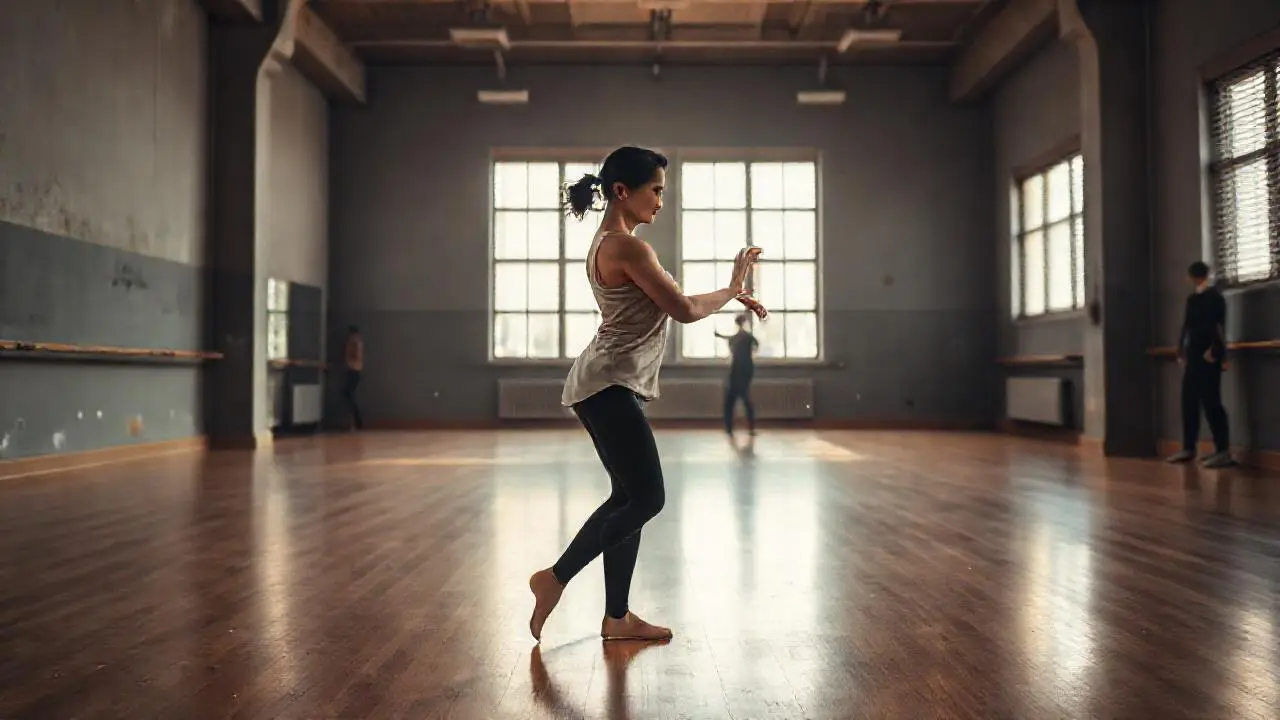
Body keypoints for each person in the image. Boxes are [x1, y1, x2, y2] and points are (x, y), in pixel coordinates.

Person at [526, 146, 767, 643]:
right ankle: (554, 578)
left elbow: (678, 305)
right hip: (607, 383)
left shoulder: (614, 243)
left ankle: (617, 619)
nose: (660, 200)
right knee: (648, 498)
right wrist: (731, 287)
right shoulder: (626, 247)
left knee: (628, 497)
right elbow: (681, 307)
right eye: (655, 190)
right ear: (622, 191)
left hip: (610, 383)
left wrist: (728, 291)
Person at [1166, 261, 1234, 468]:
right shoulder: (1192, 299)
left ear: (1193, 276)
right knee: (1189, 401)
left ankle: (1223, 450)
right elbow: (1186, 325)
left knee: (1212, 402)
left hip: (1208, 356)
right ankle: (1188, 447)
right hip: (1193, 356)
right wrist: (1180, 348)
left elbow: (1219, 326)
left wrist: (1216, 351)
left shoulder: (1216, 298)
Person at [716, 312, 758, 438]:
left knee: (733, 401)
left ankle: (731, 429)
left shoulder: (741, 337)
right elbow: (755, 346)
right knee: (742, 401)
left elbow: (730, 341)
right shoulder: (746, 337)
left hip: (739, 373)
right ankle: (747, 428)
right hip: (742, 372)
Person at [343, 325, 364, 431]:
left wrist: (349, 361)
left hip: (353, 371)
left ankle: (357, 422)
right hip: (354, 370)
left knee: (349, 395)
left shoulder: (355, 342)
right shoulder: (358, 342)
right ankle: (356, 422)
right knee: (349, 395)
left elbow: (355, 356)